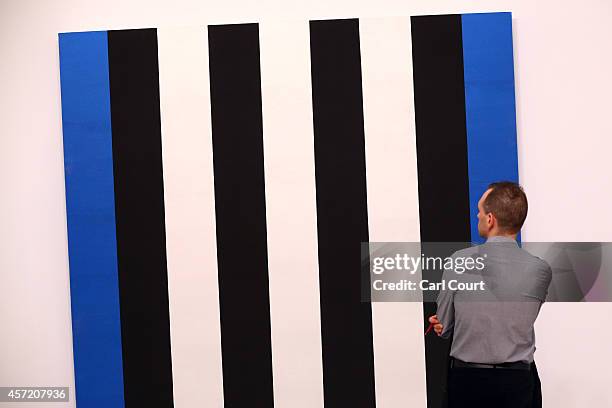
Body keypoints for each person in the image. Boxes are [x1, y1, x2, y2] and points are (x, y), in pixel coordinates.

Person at [428, 181, 552, 408]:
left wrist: (442, 323)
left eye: (480, 211)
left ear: (490, 219)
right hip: (518, 383)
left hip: (468, 383)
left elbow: (444, 327)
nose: (477, 215)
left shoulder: (459, 261)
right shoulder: (540, 270)